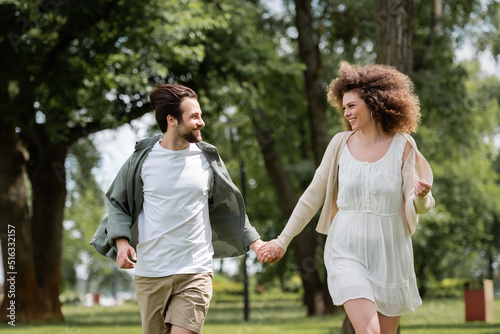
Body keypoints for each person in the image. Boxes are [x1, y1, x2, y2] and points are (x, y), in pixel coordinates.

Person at [257, 62, 435, 334]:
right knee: (369, 331)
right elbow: (312, 196)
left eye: (352, 105)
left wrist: (422, 196)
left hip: (392, 252)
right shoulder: (340, 143)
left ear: (374, 102)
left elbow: (419, 204)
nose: (346, 112)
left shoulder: (403, 145)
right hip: (346, 249)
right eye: (343, 107)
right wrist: (282, 241)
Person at [91, 83, 263, 334]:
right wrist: (121, 242)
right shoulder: (142, 159)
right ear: (172, 120)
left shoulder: (207, 159)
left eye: (200, 115)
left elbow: (229, 207)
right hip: (151, 273)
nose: (201, 122)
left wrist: (256, 243)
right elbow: (118, 201)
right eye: (194, 116)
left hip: (195, 270)